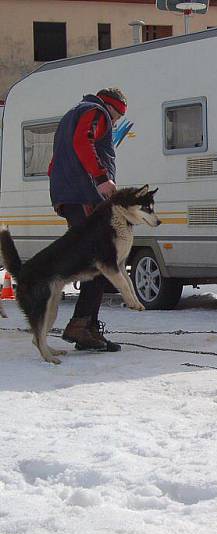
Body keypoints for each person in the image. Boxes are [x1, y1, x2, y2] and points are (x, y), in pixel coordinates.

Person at [48, 88, 128, 352]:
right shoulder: (96, 112)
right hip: (84, 194)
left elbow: (54, 164)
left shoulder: (71, 114)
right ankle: (82, 326)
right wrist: (101, 178)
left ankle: (87, 325)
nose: (114, 122)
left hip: (70, 195)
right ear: (111, 107)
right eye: (117, 116)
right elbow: (84, 142)